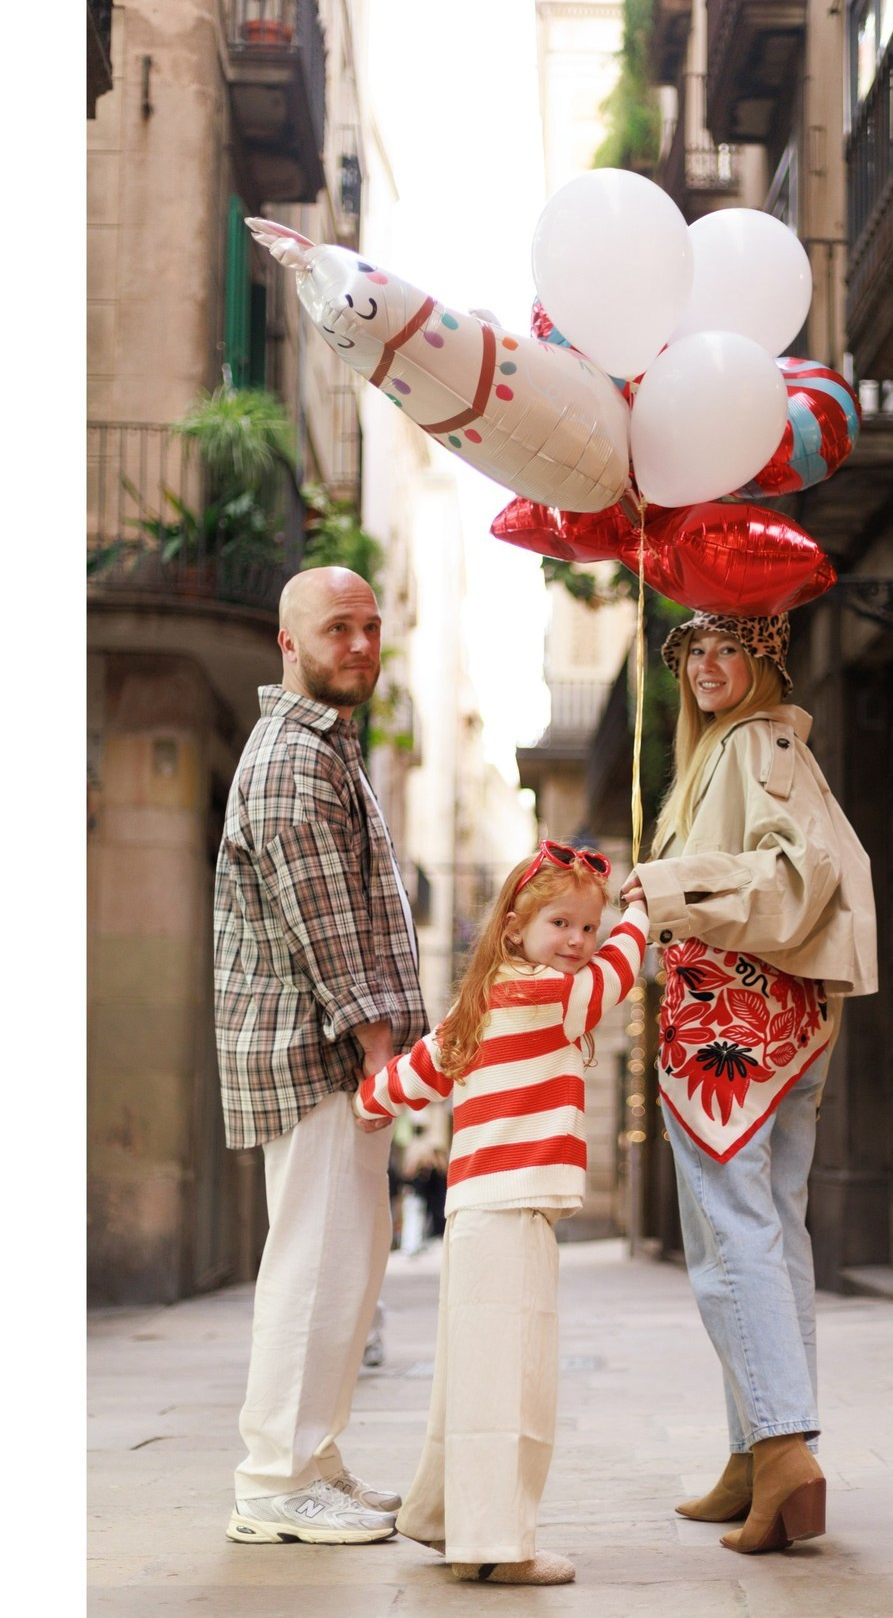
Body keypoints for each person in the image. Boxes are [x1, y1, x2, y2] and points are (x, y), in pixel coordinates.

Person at [619, 611, 877, 1557]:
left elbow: (796, 870)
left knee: (730, 1234)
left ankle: (781, 1450)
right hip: (774, 1020)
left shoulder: (757, 742)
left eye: (731, 648)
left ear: (766, 661)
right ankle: (755, 1451)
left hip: (738, 1022)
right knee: (769, 1230)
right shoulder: (729, 749)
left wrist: (669, 885)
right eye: (693, 650)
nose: (707, 666)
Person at [353, 842, 649, 1586]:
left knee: (472, 1374)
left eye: (590, 925)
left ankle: (446, 1516)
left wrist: (369, 1100)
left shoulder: (484, 999)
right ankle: (495, 1544)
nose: (580, 941)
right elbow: (617, 977)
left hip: (479, 1208)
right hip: (512, 1207)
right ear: (516, 927)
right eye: (563, 923)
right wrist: (639, 914)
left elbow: (425, 1064)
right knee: (513, 1382)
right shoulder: (555, 993)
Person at [214, 565, 427, 1545]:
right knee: (317, 1261)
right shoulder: (295, 759)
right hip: (318, 1053)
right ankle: (274, 1482)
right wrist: (379, 1053)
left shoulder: (326, 748)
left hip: (327, 1051)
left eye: (370, 627)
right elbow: (326, 929)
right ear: (287, 643)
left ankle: (313, 1455)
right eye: (336, 627)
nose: (359, 644)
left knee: (346, 1258)